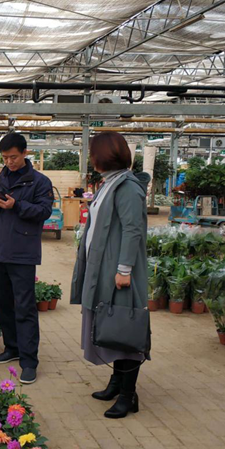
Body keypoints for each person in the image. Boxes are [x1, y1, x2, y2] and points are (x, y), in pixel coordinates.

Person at [70, 131, 150, 419]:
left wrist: (124, 269)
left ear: (104, 155)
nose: (90, 158)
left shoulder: (127, 187)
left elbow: (132, 229)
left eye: (92, 153)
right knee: (112, 326)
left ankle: (128, 396)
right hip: (104, 269)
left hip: (118, 273)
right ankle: (116, 384)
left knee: (124, 329)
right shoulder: (110, 183)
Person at [0, 133, 54, 384]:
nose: (9, 162)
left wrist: (17, 205)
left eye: (13, 157)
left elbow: (44, 211)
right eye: (5, 157)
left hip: (23, 252)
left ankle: (29, 361)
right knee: (2, 304)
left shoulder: (39, 182)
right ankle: (12, 348)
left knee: (24, 307)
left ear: (25, 153)